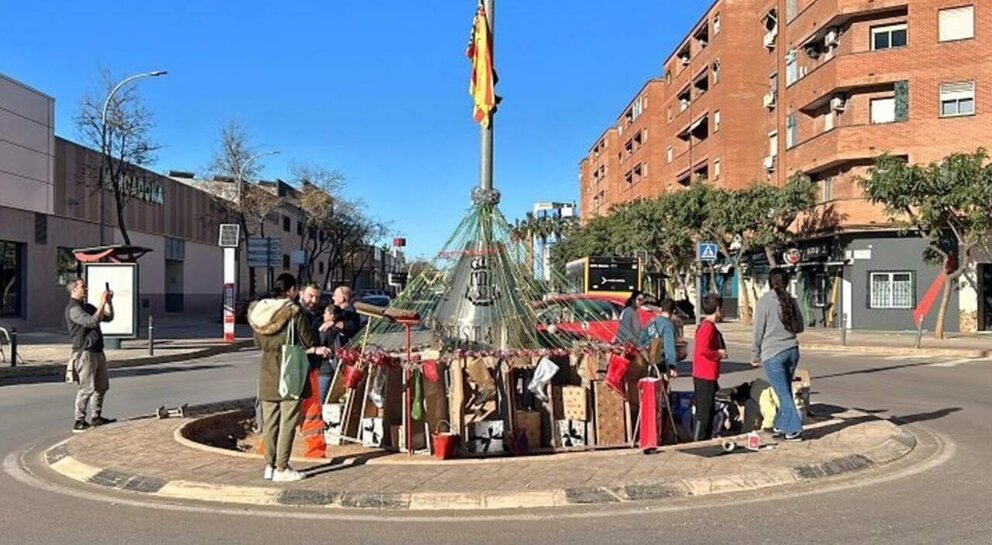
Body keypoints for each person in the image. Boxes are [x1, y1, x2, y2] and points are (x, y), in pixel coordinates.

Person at [248, 273, 317, 482]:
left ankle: (269, 465)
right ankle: (282, 467)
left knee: (270, 422)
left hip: (267, 369)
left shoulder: (258, 312)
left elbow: (257, 343)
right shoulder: (294, 311)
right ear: (293, 290)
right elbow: (307, 340)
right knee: (288, 420)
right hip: (289, 369)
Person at [751, 267, 805, 441]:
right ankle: (781, 425)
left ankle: (794, 429)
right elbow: (800, 327)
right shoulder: (791, 300)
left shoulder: (764, 301)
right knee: (785, 390)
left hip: (773, 353)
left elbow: (758, 330)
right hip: (792, 350)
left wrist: (755, 353)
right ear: (787, 282)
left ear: (769, 282)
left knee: (782, 392)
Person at [64, 278, 116, 433]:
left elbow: (108, 317)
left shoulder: (87, 306)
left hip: (98, 350)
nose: (85, 289)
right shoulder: (73, 309)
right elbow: (92, 322)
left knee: (101, 386)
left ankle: (96, 417)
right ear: (74, 290)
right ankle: (79, 421)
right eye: (82, 287)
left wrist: (108, 302)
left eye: (85, 286)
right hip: (84, 353)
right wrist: (101, 302)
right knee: (86, 388)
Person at [692, 293, 726, 441]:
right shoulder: (708, 328)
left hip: (704, 373)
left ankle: (702, 439)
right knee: (704, 413)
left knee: (706, 410)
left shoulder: (705, 326)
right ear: (717, 309)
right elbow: (702, 350)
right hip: (705, 374)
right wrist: (718, 354)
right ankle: (700, 441)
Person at [638, 298, 681, 377]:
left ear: (661, 309)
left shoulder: (651, 321)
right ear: (673, 311)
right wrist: (672, 367)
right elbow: (669, 347)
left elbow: (640, 340)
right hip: (659, 362)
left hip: (644, 360)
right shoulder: (668, 325)